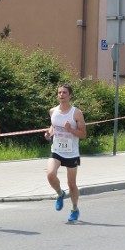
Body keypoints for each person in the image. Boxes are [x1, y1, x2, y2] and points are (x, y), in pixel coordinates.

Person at [44, 83, 87, 222]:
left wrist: (70, 130)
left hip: (71, 152)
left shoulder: (76, 113)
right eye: (59, 93)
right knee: (50, 174)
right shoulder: (53, 111)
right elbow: (53, 126)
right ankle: (60, 194)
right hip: (56, 149)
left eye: (64, 93)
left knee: (72, 184)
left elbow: (83, 134)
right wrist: (49, 134)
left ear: (70, 95)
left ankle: (74, 208)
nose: (61, 95)